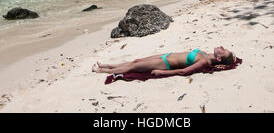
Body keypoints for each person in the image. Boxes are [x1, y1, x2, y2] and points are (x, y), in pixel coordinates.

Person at [92, 46, 235, 77]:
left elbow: (184, 71)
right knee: (136, 60)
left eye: (223, 51)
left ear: (218, 58)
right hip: (166, 55)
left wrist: (161, 72)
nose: (221, 47)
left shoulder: (204, 61)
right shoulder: (205, 53)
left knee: (133, 67)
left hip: (165, 64)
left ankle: (103, 70)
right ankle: (109, 65)